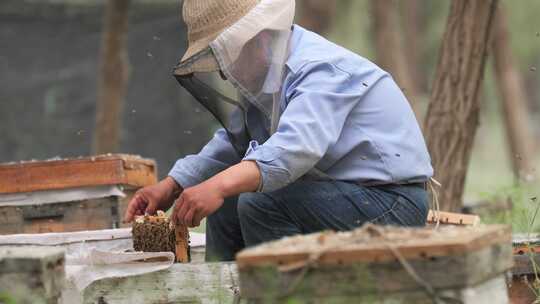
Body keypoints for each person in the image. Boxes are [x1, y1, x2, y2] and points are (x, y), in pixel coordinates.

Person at [124, 0, 433, 261]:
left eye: (224, 56)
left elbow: (293, 150)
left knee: (260, 202)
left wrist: (217, 186)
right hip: (341, 196)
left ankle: (277, 292)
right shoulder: (266, 79)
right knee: (226, 204)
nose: (223, 71)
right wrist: (172, 185)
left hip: (392, 203)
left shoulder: (319, 67)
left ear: (256, 38)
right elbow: (231, 145)